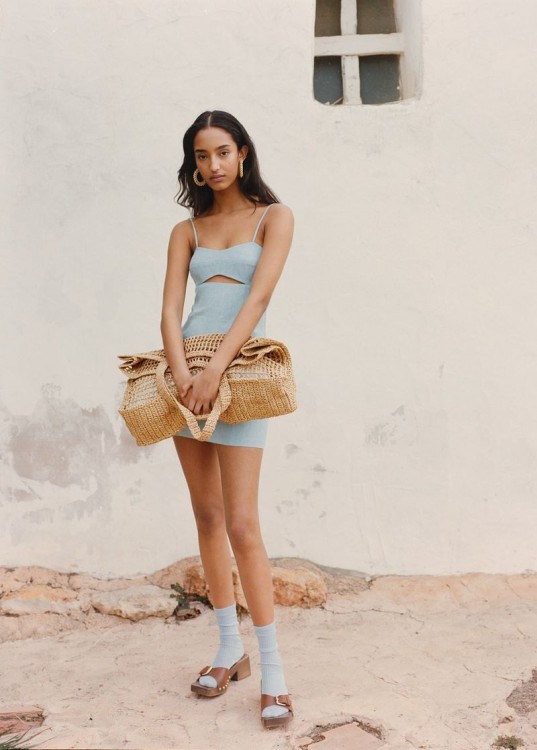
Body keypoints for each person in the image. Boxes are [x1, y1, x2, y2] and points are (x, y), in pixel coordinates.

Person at [160, 110, 295, 729]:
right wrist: (183, 375)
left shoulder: (274, 218)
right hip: (186, 381)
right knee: (208, 518)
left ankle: (274, 675)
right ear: (194, 164)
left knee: (243, 523)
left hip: (239, 376)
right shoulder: (186, 230)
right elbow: (170, 311)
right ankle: (227, 650)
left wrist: (216, 370)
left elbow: (259, 296)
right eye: (201, 155)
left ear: (242, 153)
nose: (212, 165)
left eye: (222, 152)